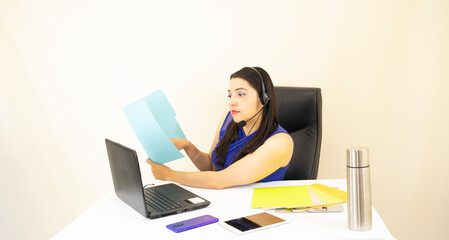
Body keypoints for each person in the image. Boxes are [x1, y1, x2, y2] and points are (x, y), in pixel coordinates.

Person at [146, 67, 294, 189]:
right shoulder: (229, 119)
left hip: (256, 211)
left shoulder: (280, 143)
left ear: (264, 98)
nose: (232, 102)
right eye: (230, 95)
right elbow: (212, 167)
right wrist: (187, 146)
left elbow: (220, 180)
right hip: (223, 204)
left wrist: (170, 175)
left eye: (241, 94)